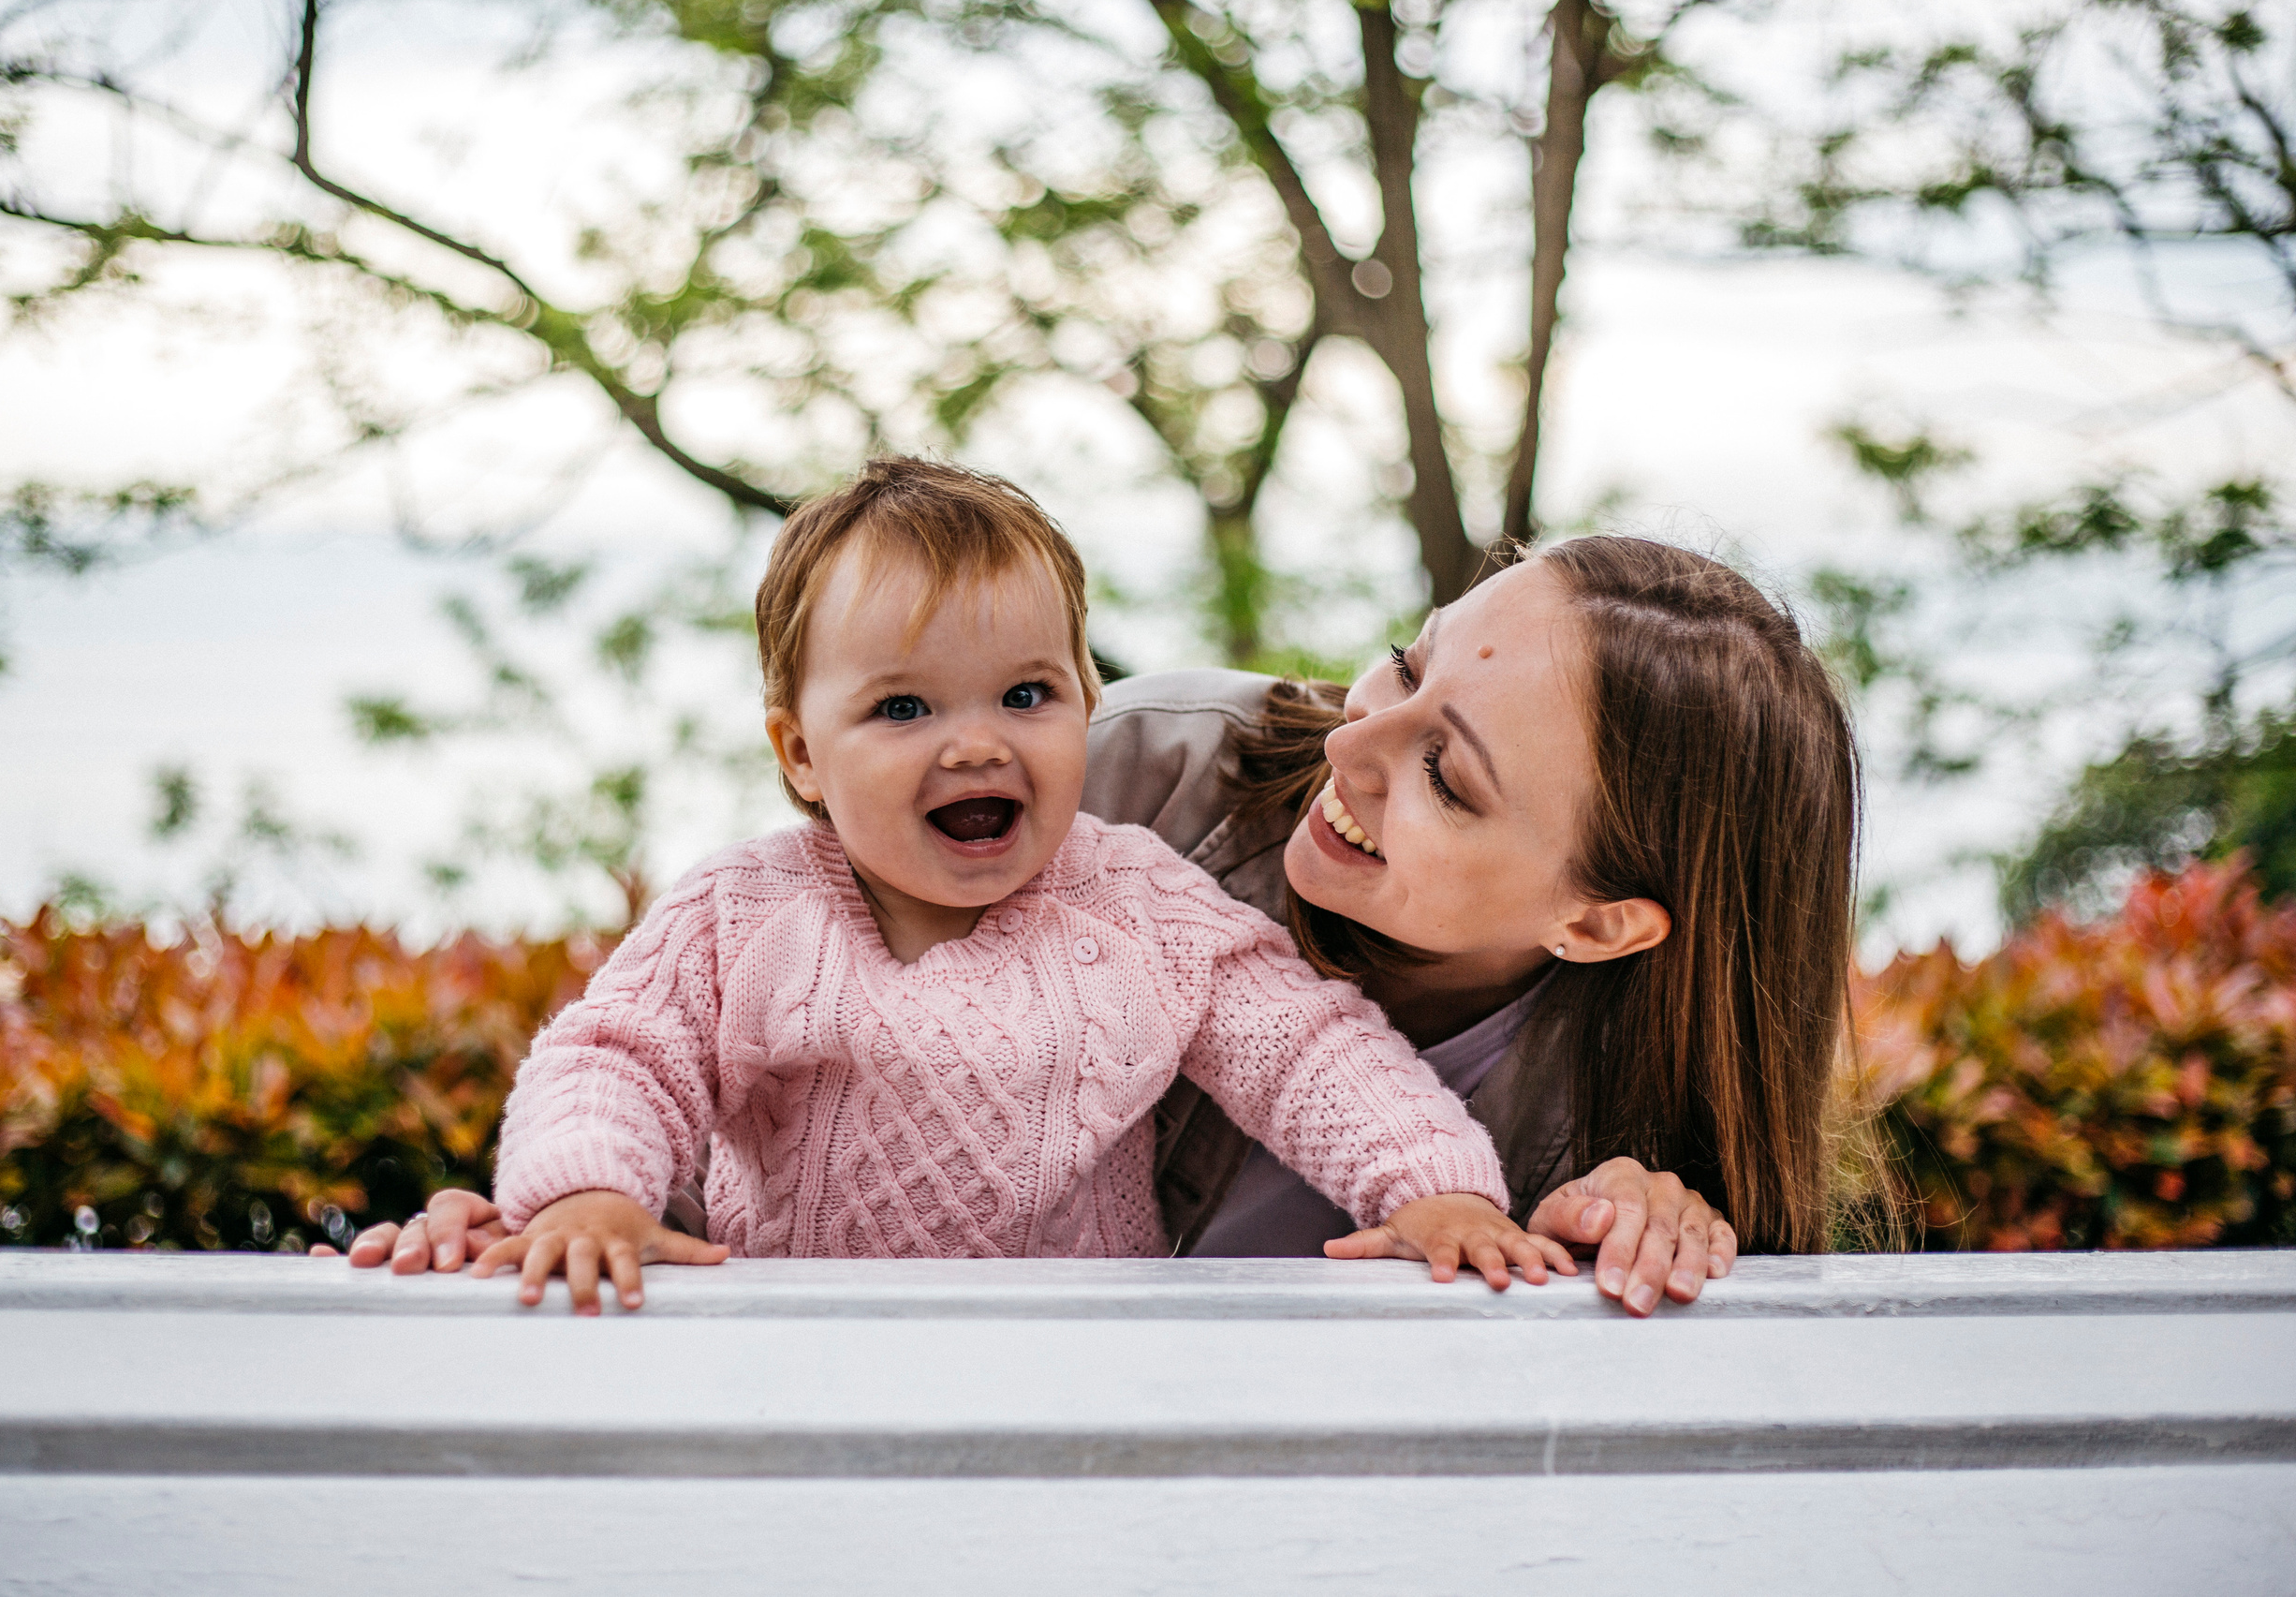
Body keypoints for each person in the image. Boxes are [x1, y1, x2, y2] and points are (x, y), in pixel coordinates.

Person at [339, 515, 1856, 1318]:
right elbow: (678, 1047)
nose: (1350, 743)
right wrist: (578, 1206)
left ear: (1602, 924)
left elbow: (1312, 1049)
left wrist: (1620, 1232)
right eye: (1405, 663)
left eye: (1445, 777)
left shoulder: (1624, 1102)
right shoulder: (1132, 783)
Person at [464, 457, 1569, 1311]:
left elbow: (1308, 1047)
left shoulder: (1140, 903)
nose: (977, 745)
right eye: (904, 710)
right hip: (791, 1352)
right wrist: (589, 1194)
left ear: (1089, 697)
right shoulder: (746, 912)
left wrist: (1432, 1189)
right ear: (799, 752)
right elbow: (617, 1055)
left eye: (1025, 695)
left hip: (1077, 1367)